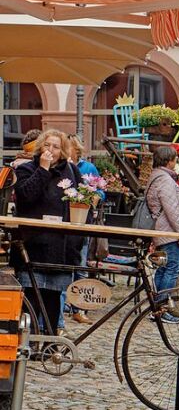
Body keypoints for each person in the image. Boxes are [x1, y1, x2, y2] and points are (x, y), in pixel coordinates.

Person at [13, 130, 86, 334]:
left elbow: (83, 202)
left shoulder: (71, 171)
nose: (51, 150)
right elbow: (26, 197)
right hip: (33, 246)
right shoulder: (27, 169)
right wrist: (43, 170)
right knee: (31, 301)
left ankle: (50, 345)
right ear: (40, 147)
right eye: (47, 145)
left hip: (60, 249)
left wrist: (76, 241)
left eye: (55, 146)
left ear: (62, 151)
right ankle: (29, 345)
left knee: (53, 301)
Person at [147, 145, 179, 324]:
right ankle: (161, 310)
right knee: (172, 269)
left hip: (164, 231)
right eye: (175, 159)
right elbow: (171, 209)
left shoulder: (157, 177)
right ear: (168, 161)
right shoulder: (164, 180)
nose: (176, 162)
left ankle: (156, 309)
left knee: (163, 269)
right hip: (170, 233)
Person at [65, 135, 105, 326]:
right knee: (64, 267)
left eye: (68, 148)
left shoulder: (87, 168)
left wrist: (96, 196)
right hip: (64, 223)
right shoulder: (61, 167)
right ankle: (65, 304)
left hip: (82, 221)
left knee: (80, 266)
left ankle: (78, 307)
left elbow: (101, 189)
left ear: (76, 150)